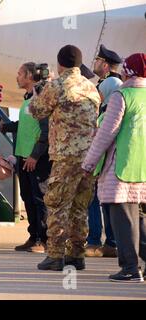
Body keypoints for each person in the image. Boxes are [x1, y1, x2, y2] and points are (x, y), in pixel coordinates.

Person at [29, 45, 100, 271]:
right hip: (89, 157)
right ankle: (77, 254)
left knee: (58, 203)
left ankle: (56, 255)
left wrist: (37, 92)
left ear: (60, 65)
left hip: (66, 155)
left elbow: (36, 111)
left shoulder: (57, 85)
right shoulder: (92, 87)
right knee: (80, 205)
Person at [82, 53, 146, 282]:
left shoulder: (123, 96)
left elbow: (105, 135)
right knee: (136, 217)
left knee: (122, 218)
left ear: (129, 71)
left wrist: (88, 164)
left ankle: (130, 268)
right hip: (142, 166)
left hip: (121, 166)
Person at [0, 62, 51, 254]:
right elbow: (27, 123)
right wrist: (8, 127)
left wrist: (35, 155)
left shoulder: (41, 98)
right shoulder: (28, 98)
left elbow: (45, 131)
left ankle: (44, 239)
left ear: (30, 75)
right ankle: (34, 235)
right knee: (27, 197)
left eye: (20, 73)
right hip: (23, 156)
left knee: (39, 198)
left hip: (35, 158)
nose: (17, 77)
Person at [85, 76, 123, 258]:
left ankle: (104, 242)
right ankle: (110, 243)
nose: (98, 94)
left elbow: (101, 140)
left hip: (103, 166)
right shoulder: (108, 110)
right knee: (107, 206)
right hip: (103, 166)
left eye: (101, 90)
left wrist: (89, 163)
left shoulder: (110, 113)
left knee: (102, 204)